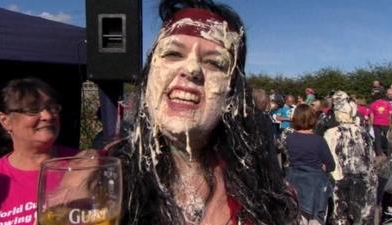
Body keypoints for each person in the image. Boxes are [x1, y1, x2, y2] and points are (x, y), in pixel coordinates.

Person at [112, 1, 299, 224]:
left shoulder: (263, 189)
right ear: (149, 73)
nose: (191, 70)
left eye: (214, 63)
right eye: (173, 53)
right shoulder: (108, 182)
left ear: (231, 94)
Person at [0, 78, 79, 225]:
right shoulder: (1, 177)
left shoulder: (83, 164)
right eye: (33, 110)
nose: (48, 116)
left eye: (52, 108)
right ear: (5, 121)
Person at [324, 91, 377, 225]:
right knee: (359, 217)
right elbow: (371, 158)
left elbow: (328, 160)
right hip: (362, 181)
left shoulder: (331, 133)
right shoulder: (363, 132)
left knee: (341, 218)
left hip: (341, 182)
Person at [277, 104, 335, 225]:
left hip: (294, 184)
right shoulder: (319, 140)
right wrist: (321, 166)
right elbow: (331, 165)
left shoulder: (288, 138)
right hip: (315, 188)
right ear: (313, 119)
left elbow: (278, 152)